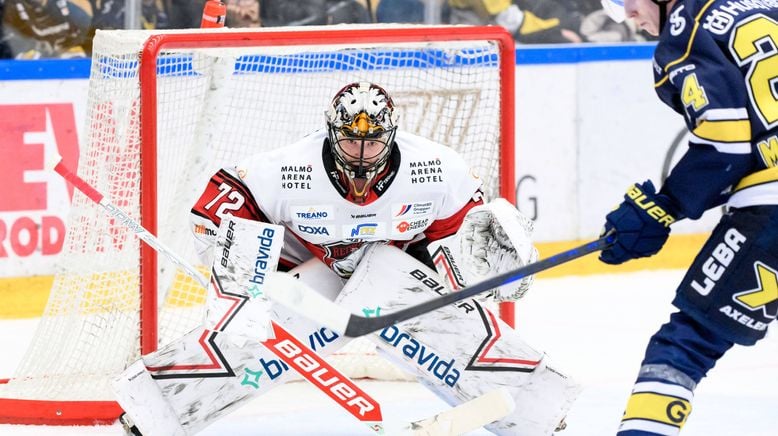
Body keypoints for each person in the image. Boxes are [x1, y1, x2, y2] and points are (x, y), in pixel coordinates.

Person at [113, 82, 580, 435]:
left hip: (392, 269)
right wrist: (241, 283)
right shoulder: (286, 168)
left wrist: (480, 272)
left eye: (373, 142)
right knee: (252, 339)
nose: (361, 153)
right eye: (351, 141)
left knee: (446, 330)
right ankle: (152, 409)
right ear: (331, 132)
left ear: (393, 135)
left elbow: (460, 235)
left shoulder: (438, 169)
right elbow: (219, 204)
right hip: (312, 273)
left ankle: (535, 405)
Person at [599, 0, 778, 434]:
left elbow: (725, 142)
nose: (626, 15)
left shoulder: (687, 26)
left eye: (626, 2)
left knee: (684, 346)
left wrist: (665, 206)